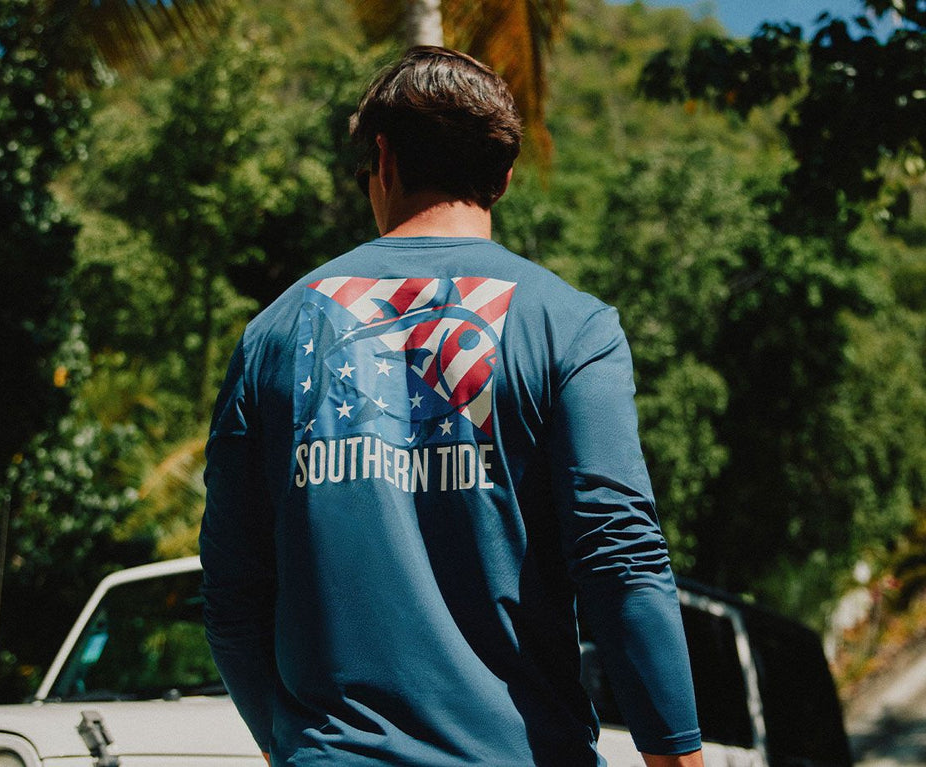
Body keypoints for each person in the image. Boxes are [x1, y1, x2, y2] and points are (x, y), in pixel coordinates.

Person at [201, 46, 704, 767]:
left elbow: (232, 599)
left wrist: (298, 745)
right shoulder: (572, 326)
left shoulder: (272, 335)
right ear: (503, 176)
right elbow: (621, 561)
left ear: (383, 158)